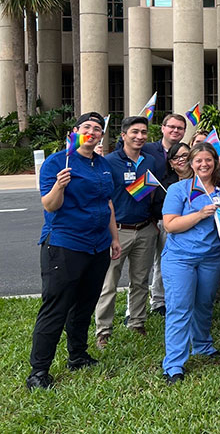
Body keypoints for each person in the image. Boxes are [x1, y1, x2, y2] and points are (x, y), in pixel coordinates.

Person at [27, 113, 121, 391]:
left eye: (98, 129)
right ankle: (39, 371)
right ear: (75, 131)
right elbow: (50, 205)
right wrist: (59, 185)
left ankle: (77, 355)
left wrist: (114, 239)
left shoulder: (103, 165)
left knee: (85, 304)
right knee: (56, 308)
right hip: (65, 245)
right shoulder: (57, 163)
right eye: (87, 128)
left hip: (98, 245)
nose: (93, 132)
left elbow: (108, 204)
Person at [160, 143, 220, 384]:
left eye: (208, 160)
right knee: (180, 307)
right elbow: (170, 225)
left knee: (204, 304)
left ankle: (203, 346)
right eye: (198, 161)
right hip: (180, 258)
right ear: (191, 164)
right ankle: (174, 364)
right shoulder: (179, 189)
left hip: (212, 257)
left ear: (215, 162)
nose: (204, 165)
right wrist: (200, 214)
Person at [94, 116, 165, 348]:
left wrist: (154, 219)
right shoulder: (109, 161)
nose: (140, 136)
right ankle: (103, 330)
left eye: (144, 132)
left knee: (140, 280)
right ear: (123, 135)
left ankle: (137, 322)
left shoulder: (151, 161)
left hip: (145, 229)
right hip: (117, 231)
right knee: (109, 282)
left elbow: (154, 194)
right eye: (134, 132)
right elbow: (103, 198)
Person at [142, 114, 188, 317]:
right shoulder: (149, 150)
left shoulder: (196, 180)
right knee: (160, 263)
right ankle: (158, 301)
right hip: (162, 222)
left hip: (189, 226)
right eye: (172, 127)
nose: (175, 131)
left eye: (180, 128)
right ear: (162, 128)